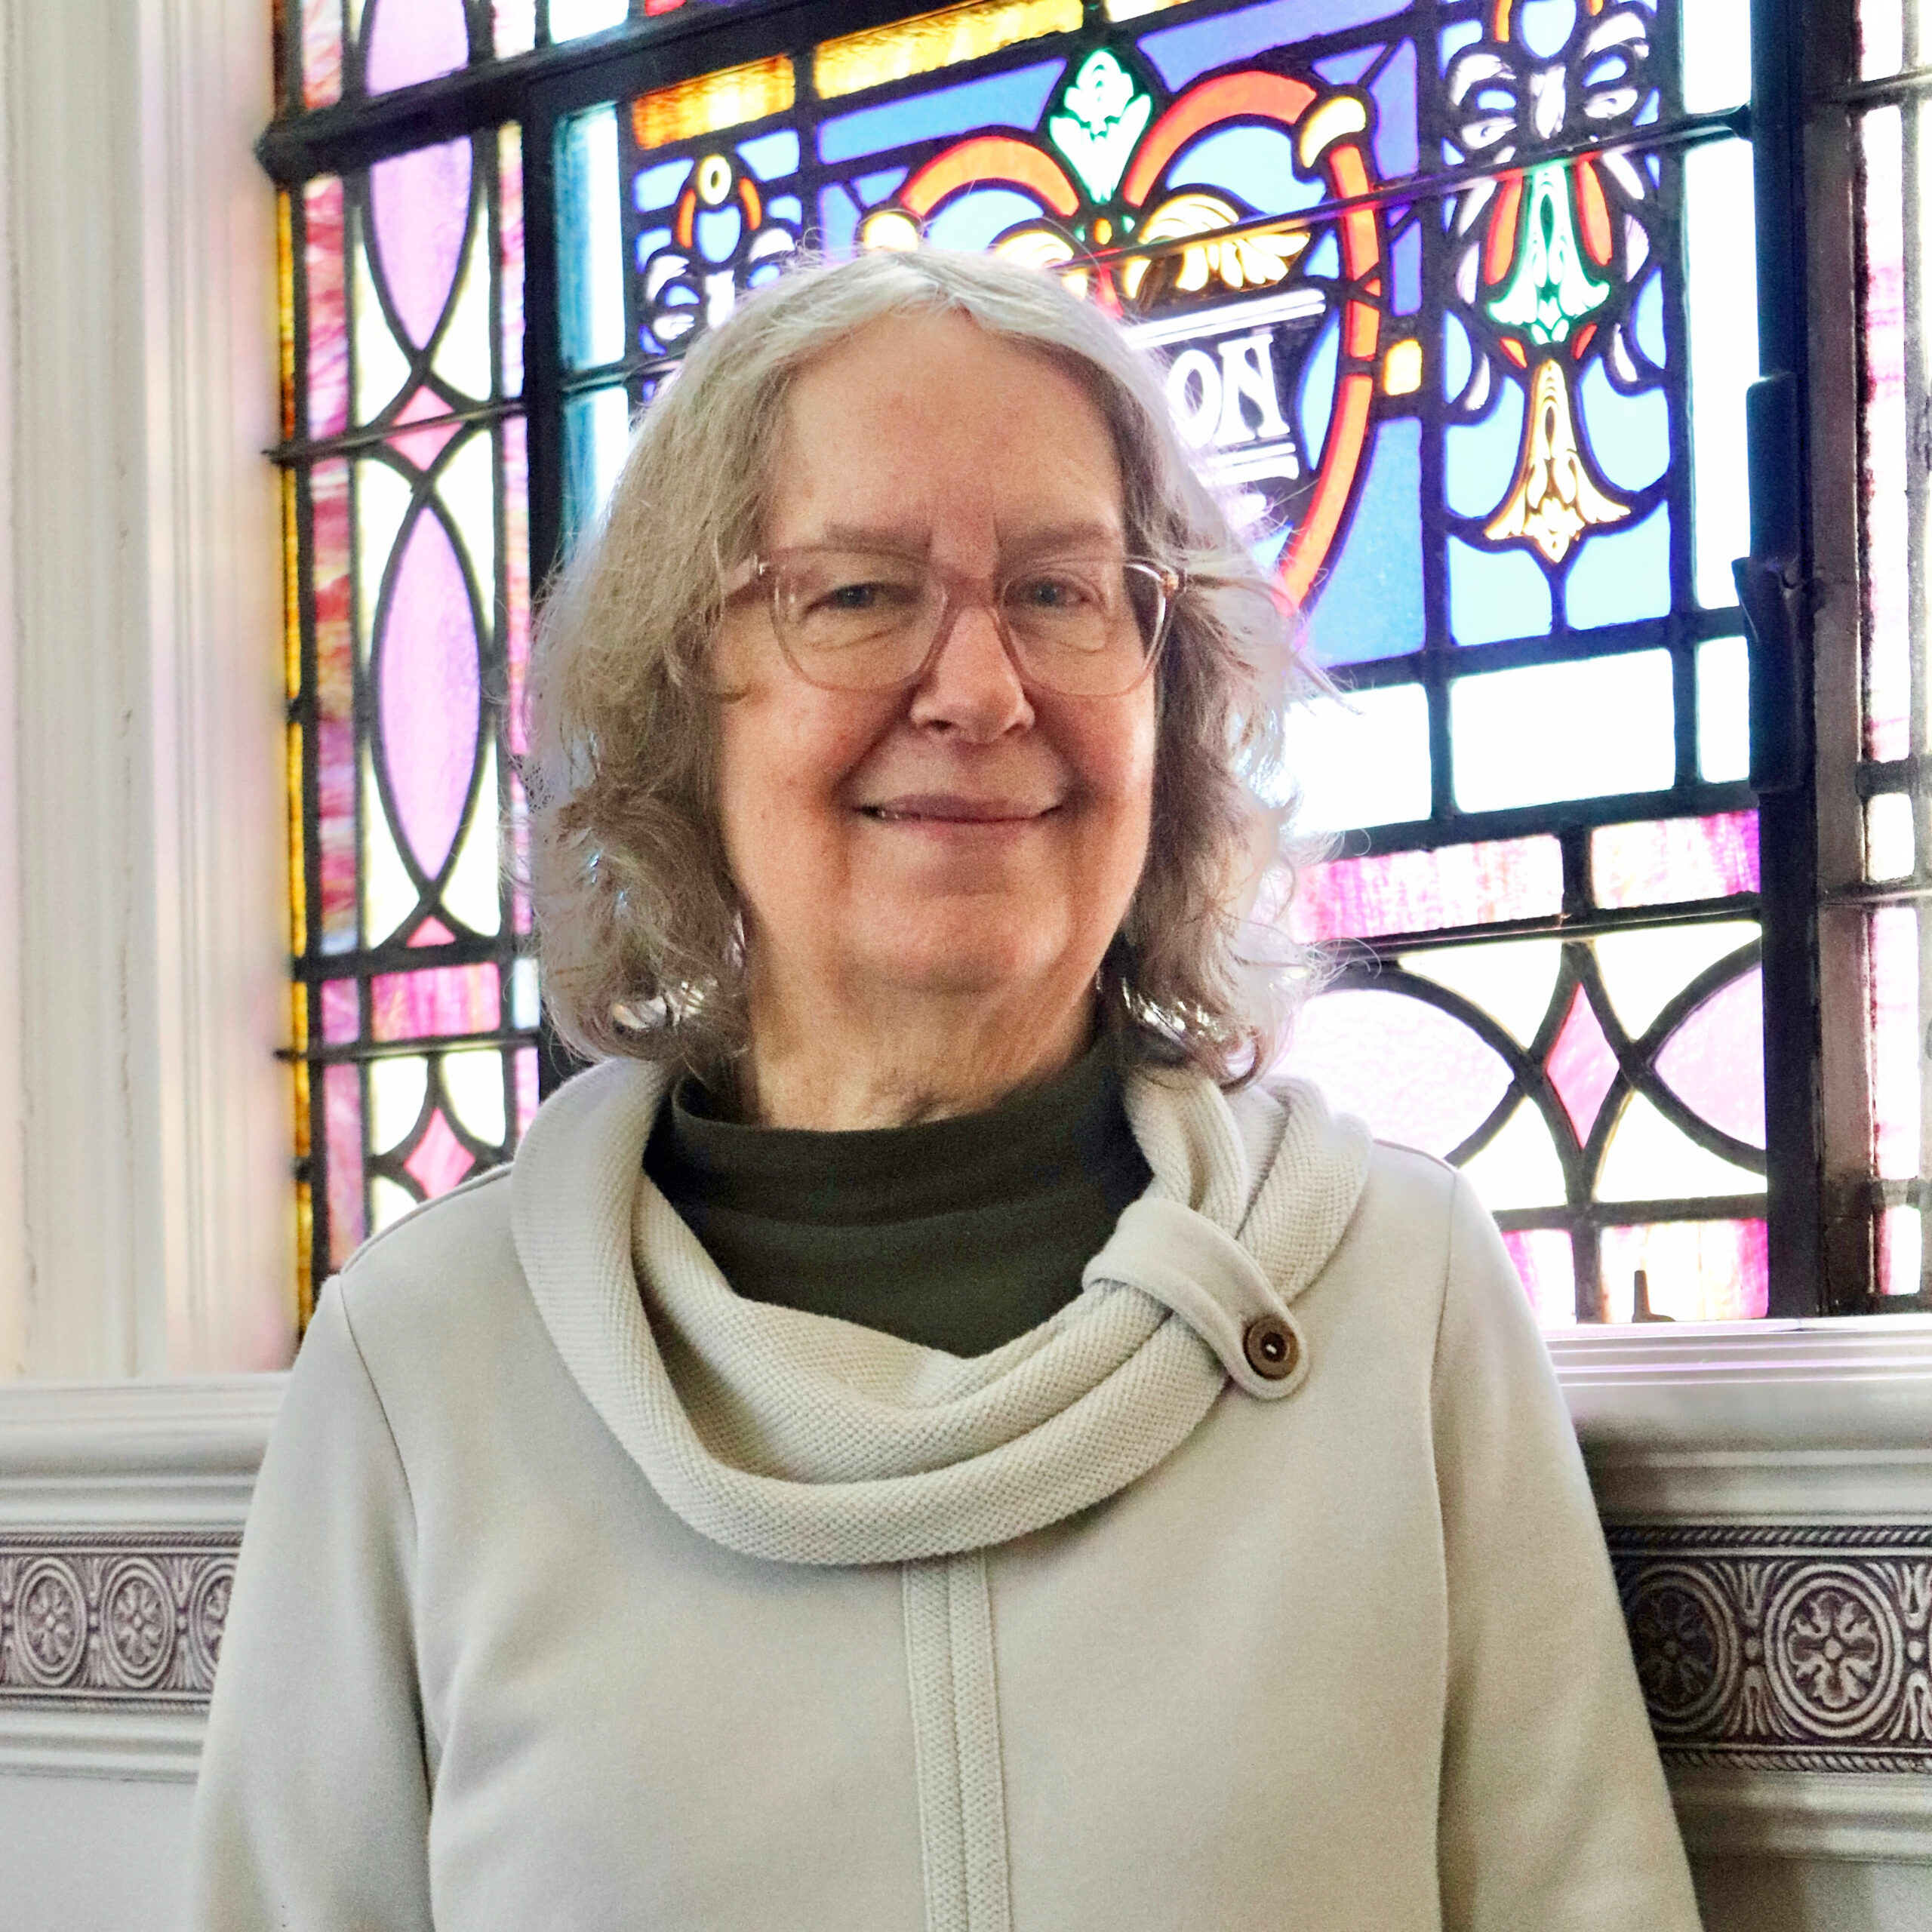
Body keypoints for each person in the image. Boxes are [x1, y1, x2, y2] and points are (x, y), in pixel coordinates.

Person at [190, 248, 1701, 1930]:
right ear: (681, 701)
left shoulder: (1400, 1295)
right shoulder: (423, 1366)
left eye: (1061, 591)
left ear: (1172, 695)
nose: (982, 690)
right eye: (855, 593)